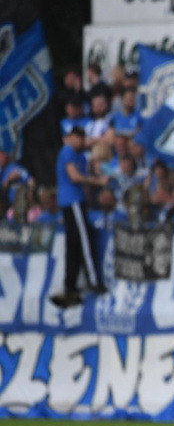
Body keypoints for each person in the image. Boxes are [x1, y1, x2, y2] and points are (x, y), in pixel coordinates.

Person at [51, 125, 109, 309]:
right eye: (79, 137)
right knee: (84, 241)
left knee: (73, 244)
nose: (82, 141)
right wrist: (98, 181)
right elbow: (74, 177)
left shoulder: (78, 154)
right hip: (73, 201)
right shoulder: (68, 151)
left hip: (71, 203)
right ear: (71, 137)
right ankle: (94, 281)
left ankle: (71, 285)